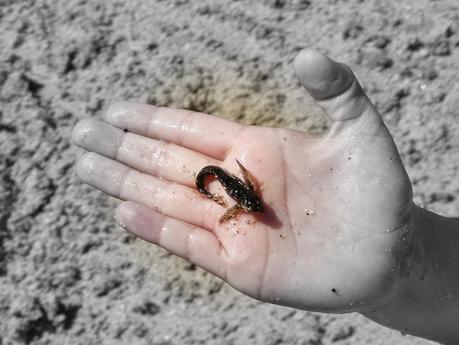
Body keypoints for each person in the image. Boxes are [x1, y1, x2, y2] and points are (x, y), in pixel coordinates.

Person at [72, 49, 459, 345]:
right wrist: (412, 261)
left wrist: (407, 265)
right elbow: (243, 181)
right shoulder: (245, 198)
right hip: (222, 179)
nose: (257, 210)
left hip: (228, 182)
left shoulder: (248, 202)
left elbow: (245, 187)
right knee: (209, 175)